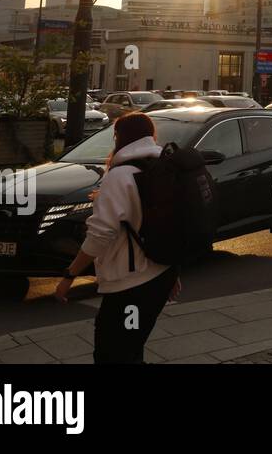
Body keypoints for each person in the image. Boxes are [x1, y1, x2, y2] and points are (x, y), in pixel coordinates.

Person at [54, 113, 180, 363]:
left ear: (119, 138)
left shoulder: (121, 176)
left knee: (111, 354)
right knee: (131, 349)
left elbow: (101, 234)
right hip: (161, 275)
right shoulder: (163, 167)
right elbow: (171, 222)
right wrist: (174, 272)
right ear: (151, 136)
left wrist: (69, 276)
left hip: (131, 284)